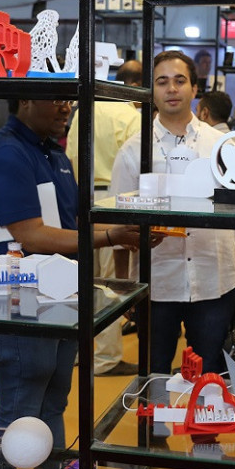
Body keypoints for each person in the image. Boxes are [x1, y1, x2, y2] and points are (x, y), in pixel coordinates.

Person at [0, 98, 155, 460]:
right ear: (26, 101)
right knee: (18, 410)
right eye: (56, 100)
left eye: (68, 101)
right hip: (19, 298)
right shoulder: (6, 153)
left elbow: (73, 224)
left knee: (53, 403)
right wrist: (111, 236)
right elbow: (31, 235)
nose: (66, 109)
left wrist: (126, 231)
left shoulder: (53, 153)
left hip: (60, 296)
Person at [111, 50, 235, 376]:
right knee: (154, 372)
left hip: (214, 279)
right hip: (155, 282)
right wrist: (124, 286)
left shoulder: (221, 145)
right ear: (152, 91)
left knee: (210, 375)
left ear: (195, 88)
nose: (172, 89)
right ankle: (155, 414)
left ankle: (203, 413)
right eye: (162, 82)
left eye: (180, 81)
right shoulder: (134, 149)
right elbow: (120, 222)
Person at [66, 59, 143, 376]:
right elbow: (137, 168)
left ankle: (76, 350)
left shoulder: (82, 110)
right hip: (115, 200)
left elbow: (71, 155)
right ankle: (105, 358)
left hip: (81, 197)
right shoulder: (131, 116)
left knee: (81, 278)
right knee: (111, 282)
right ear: (135, 86)